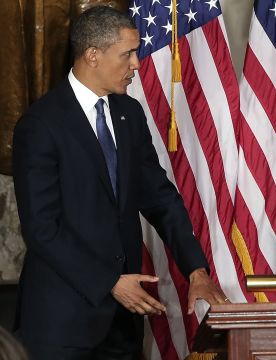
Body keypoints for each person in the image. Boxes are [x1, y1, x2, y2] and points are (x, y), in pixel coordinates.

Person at [12, 5, 228, 359]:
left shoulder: (129, 114)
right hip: (59, 324)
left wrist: (196, 269)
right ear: (92, 55)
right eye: (127, 53)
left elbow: (160, 197)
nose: (136, 64)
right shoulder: (40, 125)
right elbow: (41, 229)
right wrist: (109, 283)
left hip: (122, 326)